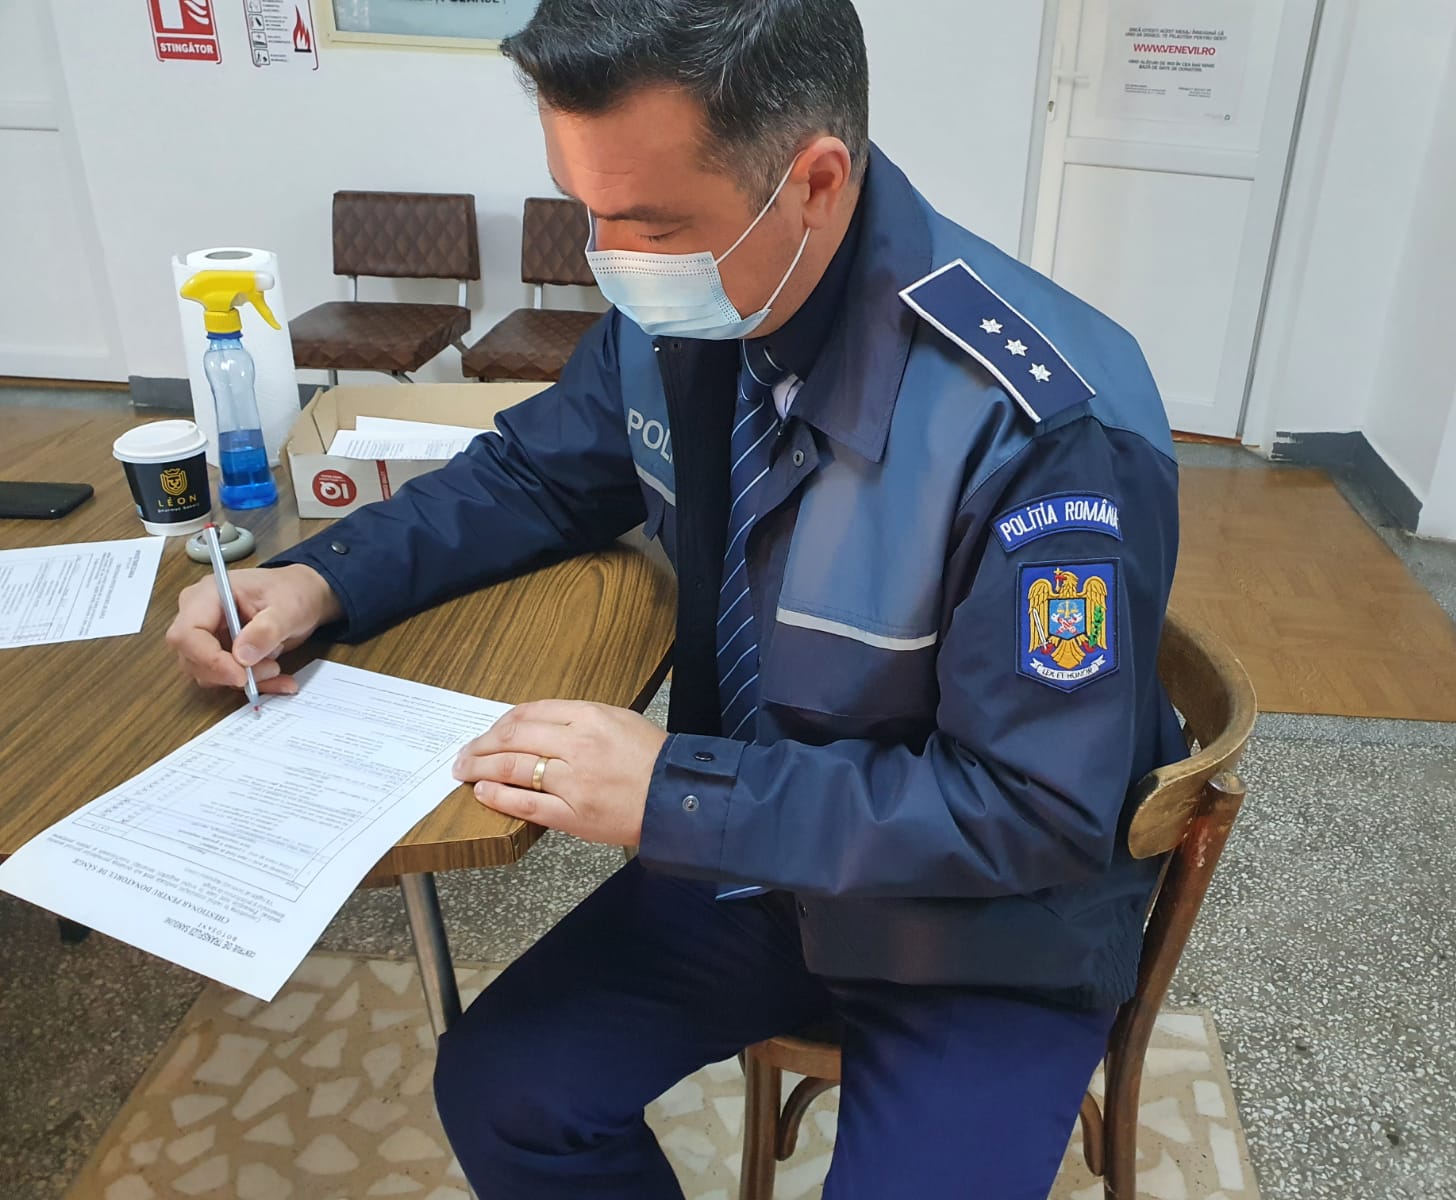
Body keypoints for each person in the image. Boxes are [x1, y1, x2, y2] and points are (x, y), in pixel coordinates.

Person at [165, 1, 1187, 1194]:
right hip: (765, 861)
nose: (612, 258)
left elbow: (1033, 810)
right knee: (505, 1091)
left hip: (984, 926)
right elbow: (537, 473)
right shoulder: (691, 306)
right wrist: (321, 577)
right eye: (586, 210)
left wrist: (677, 794)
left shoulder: (1036, 431)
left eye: (650, 223)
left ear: (814, 184)